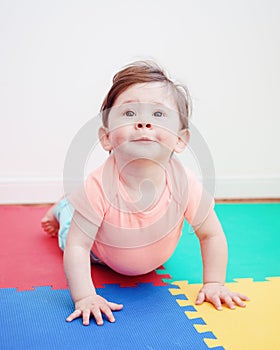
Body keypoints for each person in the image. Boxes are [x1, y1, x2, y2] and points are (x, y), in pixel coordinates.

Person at [41, 60, 249, 326]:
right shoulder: (98, 185)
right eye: (129, 114)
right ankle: (63, 207)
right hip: (98, 253)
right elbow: (78, 246)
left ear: (181, 139)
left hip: (148, 257)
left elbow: (211, 234)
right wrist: (84, 297)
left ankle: (69, 202)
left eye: (158, 115)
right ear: (106, 137)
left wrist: (214, 283)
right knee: (69, 231)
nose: (143, 123)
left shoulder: (184, 183)